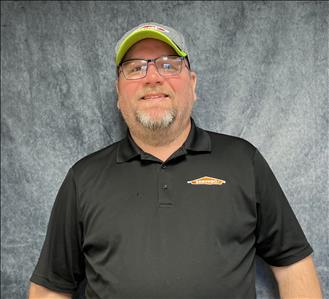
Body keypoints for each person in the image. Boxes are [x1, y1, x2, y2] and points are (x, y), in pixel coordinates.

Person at [28, 22, 323, 299]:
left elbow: (293, 265)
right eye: (135, 68)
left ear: (192, 84)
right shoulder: (84, 178)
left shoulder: (244, 161)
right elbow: (51, 288)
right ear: (118, 93)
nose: (153, 77)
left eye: (169, 65)